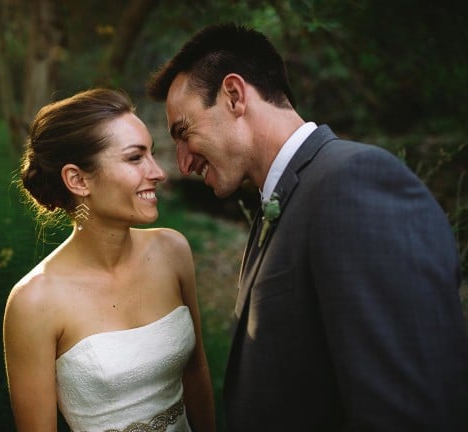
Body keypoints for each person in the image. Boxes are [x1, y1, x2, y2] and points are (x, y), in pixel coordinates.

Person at [147, 23, 468, 431]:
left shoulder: (355, 183)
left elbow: (409, 410)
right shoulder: (281, 202)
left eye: (184, 132)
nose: (183, 162)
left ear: (233, 95)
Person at [3, 88, 216, 432]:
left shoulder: (172, 250)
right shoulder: (34, 301)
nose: (158, 172)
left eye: (152, 154)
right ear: (77, 179)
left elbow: (197, 371)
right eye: (135, 158)